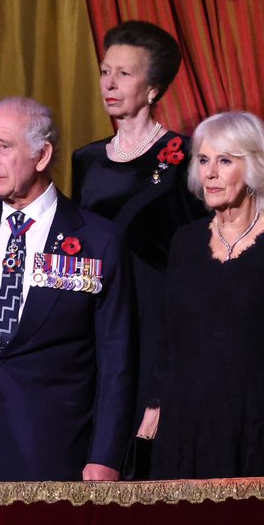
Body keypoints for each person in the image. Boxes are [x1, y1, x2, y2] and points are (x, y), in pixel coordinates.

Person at [0, 97, 134, 482]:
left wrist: (106, 454)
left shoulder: (98, 240)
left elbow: (116, 359)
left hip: (54, 449)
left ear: (42, 156)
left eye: (4, 146)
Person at [137, 111, 264, 479]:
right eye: (203, 160)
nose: (210, 173)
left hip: (257, 424)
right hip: (184, 423)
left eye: (224, 161)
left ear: (254, 167)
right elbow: (170, 340)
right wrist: (153, 410)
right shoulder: (185, 241)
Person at [72, 21, 205, 418]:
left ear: (153, 89)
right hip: (97, 311)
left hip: (158, 316)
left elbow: (199, 249)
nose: (109, 84)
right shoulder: (86, 159)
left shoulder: (186, 153)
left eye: (124, 74)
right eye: (105, 71)